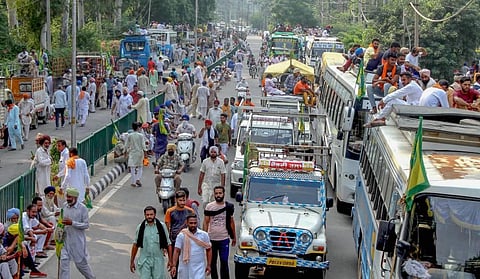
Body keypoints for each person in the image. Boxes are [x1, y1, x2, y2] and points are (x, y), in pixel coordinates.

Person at [59, 188, 96, 279]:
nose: (67, 199)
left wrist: (72, 223)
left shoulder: (83, 209)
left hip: (77, 242)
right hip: (65, 240)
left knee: (81, 265)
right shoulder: (64, 206)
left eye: (70, 197)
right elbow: (61, 221)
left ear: (75, 197)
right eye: (67, 197)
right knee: (64, 264)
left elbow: (86, 225)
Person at [203, 186, 236, 279]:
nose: (218, 195)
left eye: (220, 193)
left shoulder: (228, 207)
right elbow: (206, 222)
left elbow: (231, 222)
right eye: (216, 193)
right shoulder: (209, 207)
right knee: (212, 262)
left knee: (224, 261)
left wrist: (234, 237)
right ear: (214, 194)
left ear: (224, 194)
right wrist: (204, 237)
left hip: (224, 239)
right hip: (211, 239)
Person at [130, 206, 171, 279]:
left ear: (154, 214)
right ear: (145, 215)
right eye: (147, 215)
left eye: (151, 214)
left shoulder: (161, 226)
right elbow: (135, 245)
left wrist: (170, 260)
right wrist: (132, 261)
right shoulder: (140, 227)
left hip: (158, 260)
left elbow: (168, 244)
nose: (149, 216)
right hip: (145, 260)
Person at [170, 214, 212, 279]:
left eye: (195, 223)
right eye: (191, 223)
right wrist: (174, 266)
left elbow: (209, 249)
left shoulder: (204, 235)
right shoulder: (181, 235)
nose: (193, 225)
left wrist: (209, 265)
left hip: (199, 266)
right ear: (187, 223)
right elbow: (177, 250)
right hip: (185, 267)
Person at [126, 122, 148, 187]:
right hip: (140, 153)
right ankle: (138, 179)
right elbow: (143, 145)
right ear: (138, 127)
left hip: (132, 153)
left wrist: (125, 152)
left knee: (132, 167)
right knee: (140, 167)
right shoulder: (141, 135)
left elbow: (126, 145)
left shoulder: (129, 135)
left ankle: (133, 182)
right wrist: (145, 152)